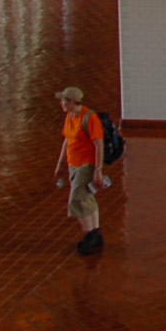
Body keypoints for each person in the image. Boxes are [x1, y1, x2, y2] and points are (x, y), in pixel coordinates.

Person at [52, 85, 108, 256]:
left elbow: (99, 146)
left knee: (76, 200)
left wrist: (98, 170)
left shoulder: (89, 118)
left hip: (86, 166)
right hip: (73, 165)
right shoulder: (70, 116)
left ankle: (89, 235)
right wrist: (60, 163)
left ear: (71, 102)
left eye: (63, 101)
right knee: (87, 198)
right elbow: (67, 140)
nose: (61, 103)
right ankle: (96, 233)